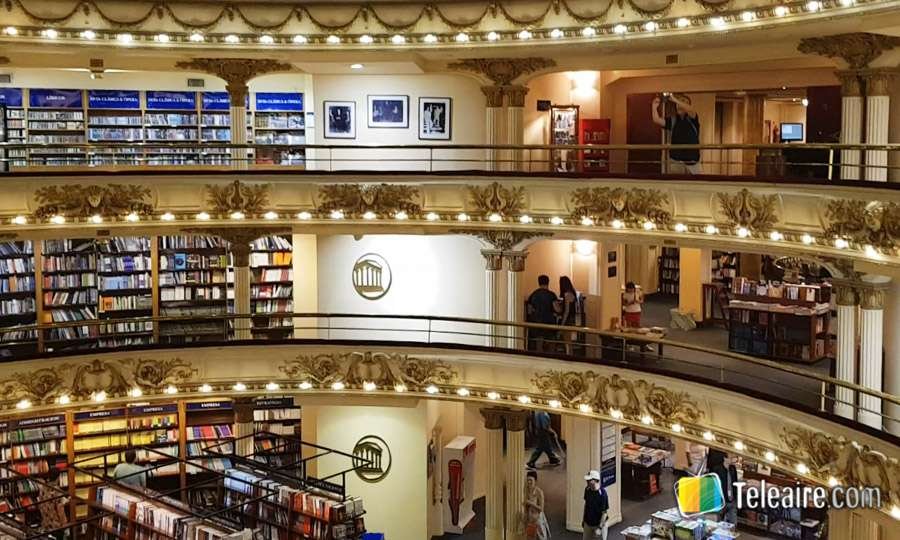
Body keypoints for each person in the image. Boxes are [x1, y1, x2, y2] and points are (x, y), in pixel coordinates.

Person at [652, 93, 701, 175]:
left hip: (693, 162)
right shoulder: (673, 120)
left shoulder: (692, 118)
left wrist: (674, 99)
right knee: (676, 185)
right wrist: (654, 107)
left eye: (683, 102)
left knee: (695, 185)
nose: (679, 104)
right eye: (678, 103)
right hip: (676, 161)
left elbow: (691, 110)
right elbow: (656, 120)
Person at [527, 275, 559, 352]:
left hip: (537, 323)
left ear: (539, 283)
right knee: (551, 345)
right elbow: (557, 309)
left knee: (539, 346)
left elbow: (529, 311)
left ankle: (539, 360)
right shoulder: (552, 295)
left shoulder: (533, 294)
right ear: (548, 282)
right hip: (549, 323)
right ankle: (551, 360)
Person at [37, 469, 68, 539]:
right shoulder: (57, 490)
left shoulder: (43, 489)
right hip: (56, 524)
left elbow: (41, 504)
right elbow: (60, 509)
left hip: (46, 523)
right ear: (58, 477)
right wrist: (64, 524)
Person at [523, 470, 551, 540]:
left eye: (531, 480)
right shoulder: (526, 491)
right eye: (528, 480)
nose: (529, 482)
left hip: (538, 519)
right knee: (530, 537)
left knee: (540, 538)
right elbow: (526, 506)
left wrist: (530, 503)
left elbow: (541, 509)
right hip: (530, 518)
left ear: (535, 481)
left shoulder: (539, 492)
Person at [582, 470, 608, 540]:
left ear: (595, 480)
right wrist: (583, 520)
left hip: (598, 524)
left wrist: (600, 528)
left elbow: (604, 513)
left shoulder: (602, 494)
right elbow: (586, 505)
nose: (587, 482)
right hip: (588, 523)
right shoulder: (587, 489)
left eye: (589, 480)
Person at [557, 276, 580, 355]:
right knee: (569, 342)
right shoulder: (573, 293)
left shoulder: (567, 295)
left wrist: (562, 324)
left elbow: (566, 311)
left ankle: (569, 357)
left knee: (567, 342)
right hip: (572, 319)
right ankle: (570, 356)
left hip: (567, 320)